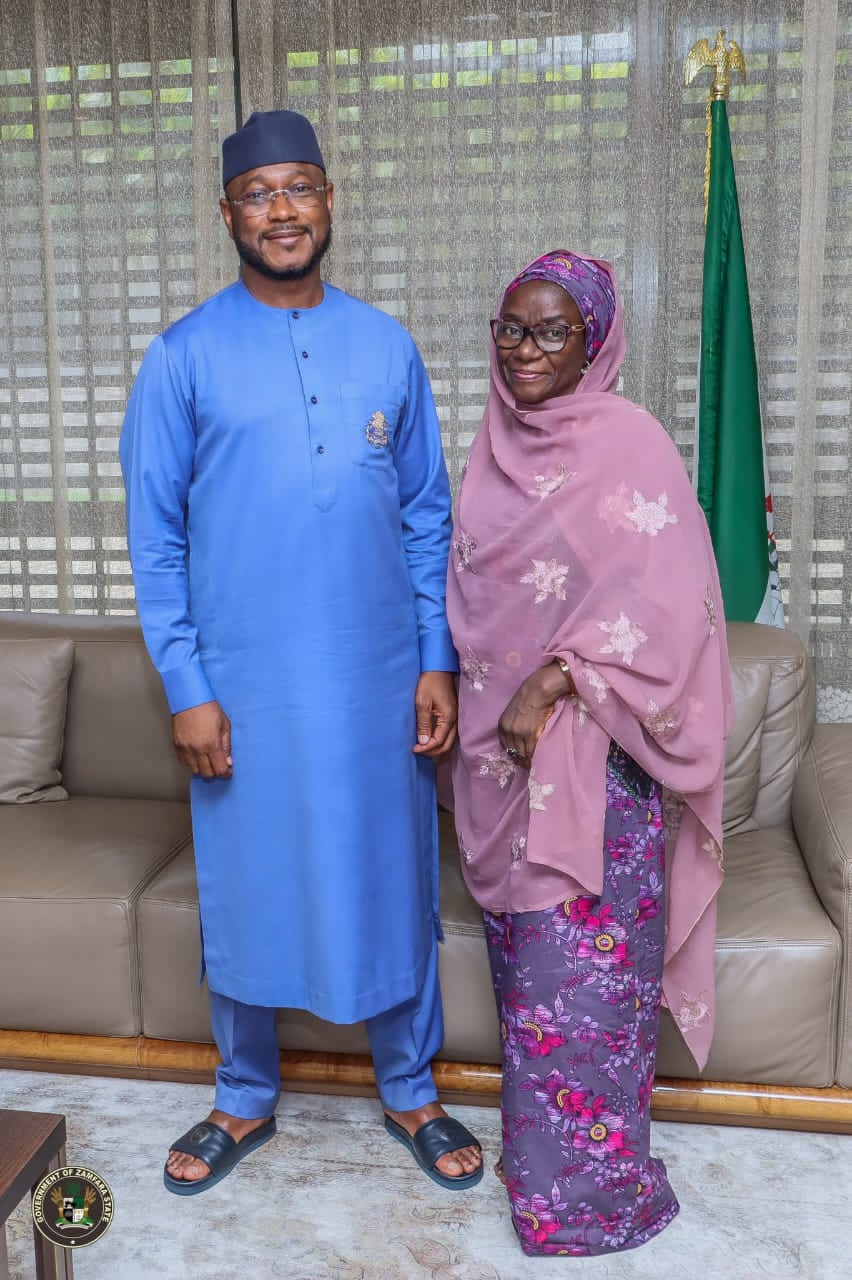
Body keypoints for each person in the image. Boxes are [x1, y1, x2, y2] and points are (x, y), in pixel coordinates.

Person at [119, 108, 481, 1196]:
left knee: (393, 874)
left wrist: (436, 658)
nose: (282, 210)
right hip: (245, 688)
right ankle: (243, 1091)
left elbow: (426, 514)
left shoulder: (388, 345)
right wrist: (187, 685)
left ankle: (411, 1086)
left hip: (379, 680)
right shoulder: (182, 356)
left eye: (299, 188)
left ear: (330, 201)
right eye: (258, 192)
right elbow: (155, 539)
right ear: (228, 212)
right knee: (248, 880)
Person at [445, 250, 733, 1255]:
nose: (525, 350)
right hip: (498, 768)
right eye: (511, 329)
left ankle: (598, 1201)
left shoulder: (631, 444)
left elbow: (671, 613)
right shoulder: (490, 447)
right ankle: (541, 1185)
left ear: (594, 343)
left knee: (588, 999)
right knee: (532, 1000)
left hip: (603, 769)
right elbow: (477, 600)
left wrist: (555, 678)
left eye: (551, 331)